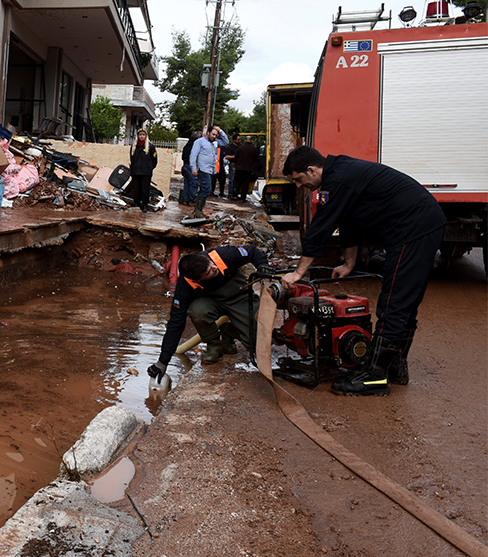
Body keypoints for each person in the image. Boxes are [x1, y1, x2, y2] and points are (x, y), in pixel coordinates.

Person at [280, 146, 446, 396]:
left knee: (394, 301)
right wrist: (348, 264)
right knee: (404, 302)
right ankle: (393, 367)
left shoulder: (338, 180)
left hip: (413, 229)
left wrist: (298, 273)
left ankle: (374, 376)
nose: (301, 186)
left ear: (312, 170)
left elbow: (321, 228)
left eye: (299, 180)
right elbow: (349, 222)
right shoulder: (342, 174)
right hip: (420, 226)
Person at [147, 244, 270, 383]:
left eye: (211, 265)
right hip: (211, 303)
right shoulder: (184, 288)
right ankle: (214, 345)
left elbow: (252, 251)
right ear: (197, 280)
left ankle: (229, 331)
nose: (214, 268)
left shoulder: (224, 255)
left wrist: (262, 265)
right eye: (209, 272)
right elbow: (175, 325)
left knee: (260, 342)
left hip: (239, 297)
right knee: (197, 311)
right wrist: (162, 362)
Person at [188, 125, 228, 217]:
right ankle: (198, 210)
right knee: (207, 189)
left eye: (216, 135)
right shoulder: (200, 142)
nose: (214, 137)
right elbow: (193, 155)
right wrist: (193, 168)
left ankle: (198, 210)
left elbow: (226, 141)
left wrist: (220, 130)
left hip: (211, 170)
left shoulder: (216, 142)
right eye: (213, 134)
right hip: (203, 169)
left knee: (205, 189)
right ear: (208, 133)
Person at [128, 129, 158, 212]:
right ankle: (137, 203)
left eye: (143, 135)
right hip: (136, 172)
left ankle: (145, 205)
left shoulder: (150, 147)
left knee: (145, 189)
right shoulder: (134, 146)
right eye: (140, 135)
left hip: (146, 173)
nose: (142, 136)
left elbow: (154, 160)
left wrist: (149, 168)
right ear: (137, 136)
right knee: (136, 189)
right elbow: (132, 158)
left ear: (146, 136)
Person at [232, 135, 260, 199]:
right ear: (251, 141)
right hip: (248, 169)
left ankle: (235, 195)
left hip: (239, 168)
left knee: (237, 182)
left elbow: (236, 156)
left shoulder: (240, 147)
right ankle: (243, 197)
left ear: (245, 140)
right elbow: (256, 159)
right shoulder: (254, 149)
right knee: (245, 183)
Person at [179, 131, 201, 205]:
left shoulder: (187, 145)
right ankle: (192, 200)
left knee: (187, 183)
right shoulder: (195, 146)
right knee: (193, 183)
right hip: (191, 166)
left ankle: (186, 200)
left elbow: (183, 156)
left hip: (185, 165)